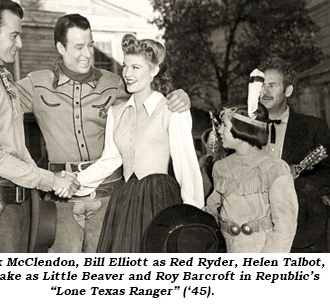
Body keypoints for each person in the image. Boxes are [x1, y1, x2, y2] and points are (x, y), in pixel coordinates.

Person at [0, 13, 191, 253]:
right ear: (60, 47)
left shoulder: (115, 82)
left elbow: (150, 97)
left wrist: (178, 95)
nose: (87, 54)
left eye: (90, 45)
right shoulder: (36, 84)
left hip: (109, 197)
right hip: (61, 200)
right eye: (78, 47)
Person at [0, 0, 78, 253]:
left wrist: (50, 179)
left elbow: (17, 148)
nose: (19, 44)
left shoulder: (4, 80)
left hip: (15, 199)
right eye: (14, 36)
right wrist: (49, 180)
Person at [73, 34, 205, 252]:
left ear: (154, 70)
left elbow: (186, 166)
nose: (127, 74)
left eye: (135, 67)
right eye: (125, 66)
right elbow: (110, 160)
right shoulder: (117, 113)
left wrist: (192, 216)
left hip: (159, 201)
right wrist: (75, 183)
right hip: (125, 202)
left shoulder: (171, 109)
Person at [205, 103, 298, 253]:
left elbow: (285, 226)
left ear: (241, 129)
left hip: (261, 249)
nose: (219, 131)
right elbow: (211, 209)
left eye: (225, 126)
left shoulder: (274, 168)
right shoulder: (220, 167)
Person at [259, 57, 330, 252]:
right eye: (262, 85)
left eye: (272, 85)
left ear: (288, 90)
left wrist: (295, 183)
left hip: (303, 234)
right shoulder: (245, 129)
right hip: (257, 237)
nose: (264, 92)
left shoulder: (314, 128)